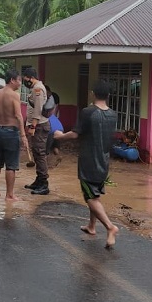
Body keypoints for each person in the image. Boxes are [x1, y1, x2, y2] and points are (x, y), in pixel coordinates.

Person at [54, 80, 119, 248]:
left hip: (89, 160)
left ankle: (110, 227)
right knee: (95, 193)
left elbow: (75, 134)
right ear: (108, 95)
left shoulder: (88, 112)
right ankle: (91, 226)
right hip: (104, 161)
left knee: (90, 197)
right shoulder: (113, 114)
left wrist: (59, 136)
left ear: (92, 93)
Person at [0, 70, 28, 200]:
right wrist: (23, 135)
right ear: (12, 80)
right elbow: (18, 115)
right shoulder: (14, 95)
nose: (20, 83)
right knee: (11, 165)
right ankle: (9, 194)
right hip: (11, 132)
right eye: (19, 80)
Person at [22, 67, 51, 195]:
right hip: (37, 126)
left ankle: (44, 184)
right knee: (37, 153)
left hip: (39, 126)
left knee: (40, 154)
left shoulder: (37, 89)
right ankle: (39, 180)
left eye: (25, 79)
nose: (24, 81)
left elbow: (38, 109)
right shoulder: (35, 88)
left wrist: (33, 127)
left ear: (30, 77)